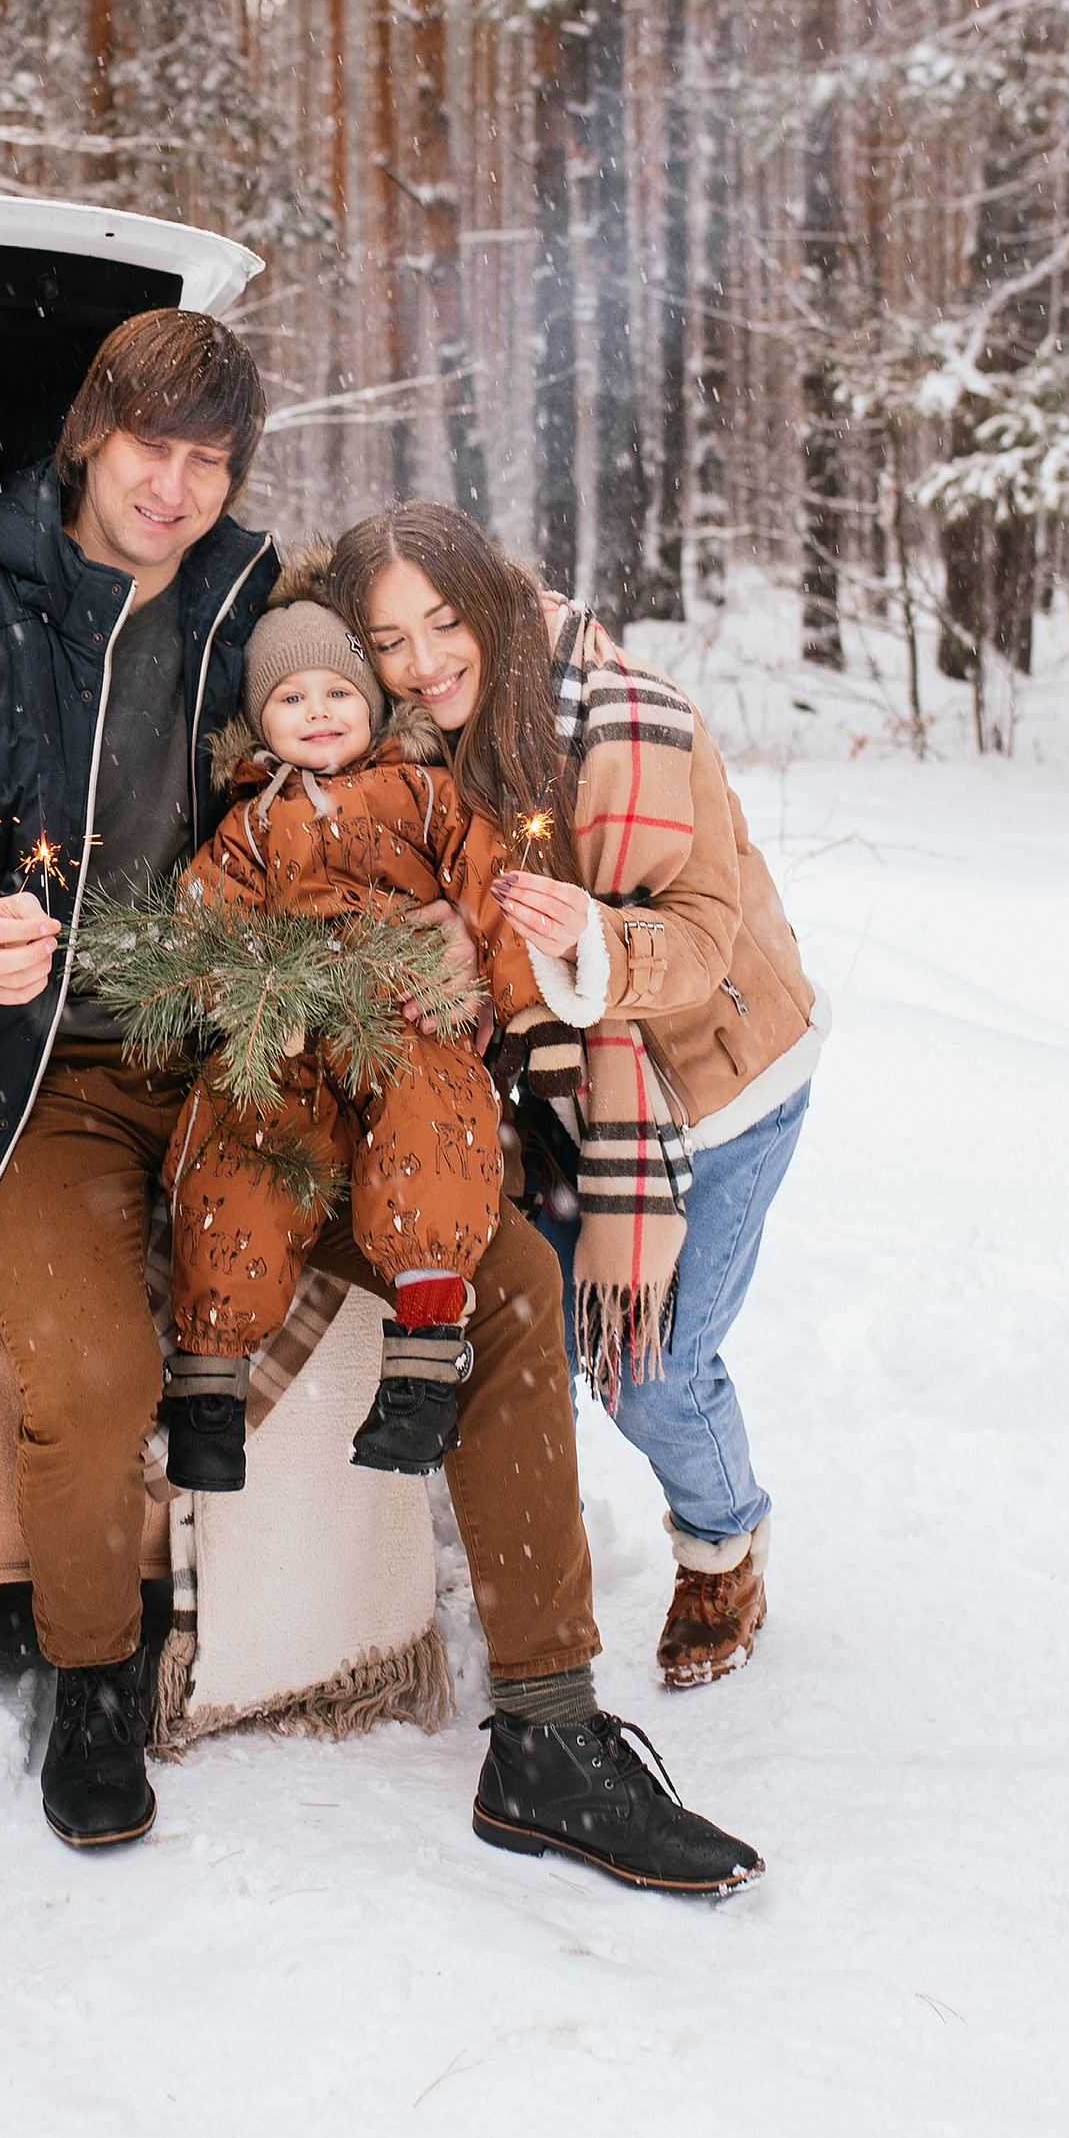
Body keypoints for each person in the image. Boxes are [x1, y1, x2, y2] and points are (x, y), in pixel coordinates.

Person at [0, 311, 760, 1897]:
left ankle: (546, 1730)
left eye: (210, 460)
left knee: (513, 1290)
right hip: (44, 1073)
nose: (177, 489)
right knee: (95, 1371)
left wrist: (472, 887)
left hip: (290, 1051)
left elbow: (432, 638)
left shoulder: (265, 606)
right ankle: (96, 1677)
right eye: (149, 451)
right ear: (86, 440)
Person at [329, 505, 825, 1691]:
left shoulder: (631, 726)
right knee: (523, 1327)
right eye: (387, 640)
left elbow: (701, 937)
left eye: (443, 623)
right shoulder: (401, 748)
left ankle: (723, 1546)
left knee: (652, 1370)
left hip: (714, 1085)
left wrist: (594, 944)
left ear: (492, 602)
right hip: (554, 1097)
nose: (422, 662)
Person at [158, 582, 610, 1494]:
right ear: (258, 722)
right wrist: (238, 990)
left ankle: (421, 1369)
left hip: (409, 1011)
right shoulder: (248, 824)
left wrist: (524, 1009)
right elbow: (198, 924)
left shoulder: (424, 790)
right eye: (290, 699)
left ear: (374, 705)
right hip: (290, 1031)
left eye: (337, 692)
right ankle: (209, 1390)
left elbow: (492, 885)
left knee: (435, 1128)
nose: (318, 713)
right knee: (241, 1152)